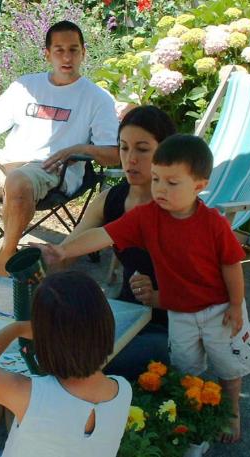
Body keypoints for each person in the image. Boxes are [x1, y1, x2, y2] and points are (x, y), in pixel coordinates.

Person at [39, 134, 250, 443]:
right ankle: (192, 412)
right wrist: (65, 251)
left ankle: (232, 408)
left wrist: (236, 305)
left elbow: (231, 266)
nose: (160, 189)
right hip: (178, 311)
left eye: (172, 183)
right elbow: (104, 234)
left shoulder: (213, 224)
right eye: (156, 179)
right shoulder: (146, 217)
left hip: (219, 309)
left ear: (199, 186)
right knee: (186, 367)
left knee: (228, 363)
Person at [0, 20, 119, 289]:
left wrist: (79, 148)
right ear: (47, 53)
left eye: (73, 50)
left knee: (18, 181)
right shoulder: (25, 85)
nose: (67, 57)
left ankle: (4, 260)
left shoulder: (97, 98)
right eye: (59, 50)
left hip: (54, 168)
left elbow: (113, 155)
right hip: (7, 158)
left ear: (83, 52)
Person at [58, 105, 176, 380]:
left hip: (172, 328)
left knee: (82, 365)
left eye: (142, 149)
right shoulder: (110, 200)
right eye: (124, 148)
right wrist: (38, 270)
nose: (130, 159)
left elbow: (205, 292)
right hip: (125, 315)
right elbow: (65, 253)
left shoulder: (180, 210)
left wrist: (158, 297)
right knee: (53, 346)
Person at [0, 271, 132, 457]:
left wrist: (16, 328)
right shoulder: (123, 389)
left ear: (43, 340)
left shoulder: (30, 395)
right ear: (105, 325)